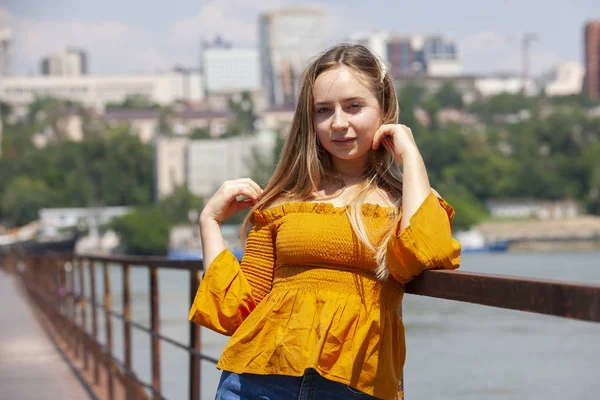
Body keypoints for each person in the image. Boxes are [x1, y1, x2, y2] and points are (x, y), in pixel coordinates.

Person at [189, 43, 461, 400]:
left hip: (356, 387)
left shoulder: (405, 202)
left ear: (385, 110)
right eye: (323, 110)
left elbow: (424, 252)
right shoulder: (283, 203)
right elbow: (234, 311)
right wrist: (209, 221)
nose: (338, 123)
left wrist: (409, 155)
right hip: (256, 383)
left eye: (354, 106)